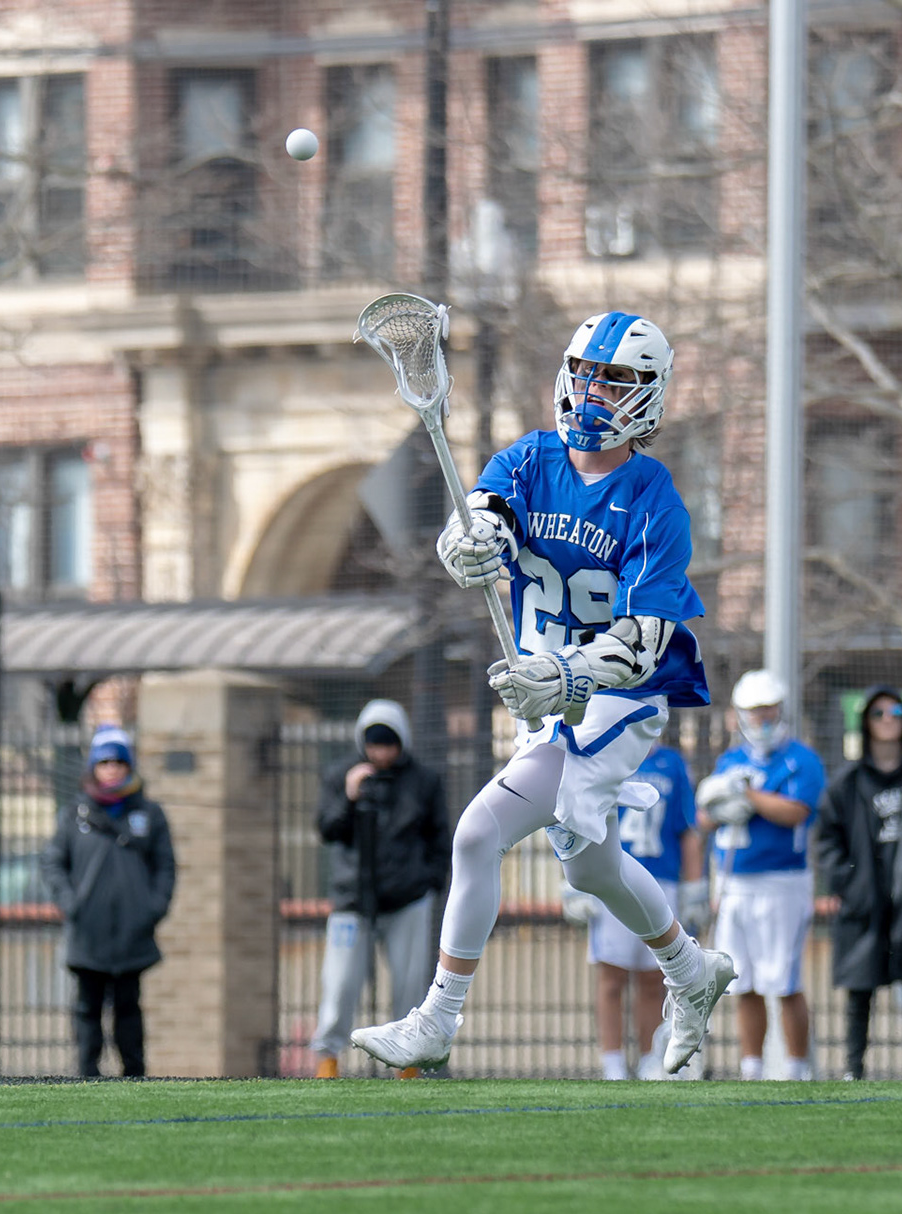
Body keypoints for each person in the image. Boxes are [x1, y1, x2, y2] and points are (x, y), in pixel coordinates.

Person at [351, 311, 733, 1075]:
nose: (592, 391)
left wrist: (564, 675)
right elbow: (480, 519)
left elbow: (645, 640)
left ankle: (439, 1019)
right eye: (585, 372)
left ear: (648, 396)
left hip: (615, 704)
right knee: (592, 869)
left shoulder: (654, 498)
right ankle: (694, 972)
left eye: (614, 379)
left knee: (476, 832)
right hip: (547, 697)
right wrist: (468, 545)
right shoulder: (528, 459)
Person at [811, 687, 902, 1081]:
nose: (888, 719)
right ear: (865, 722)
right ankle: (853, 1070)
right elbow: (827, 839)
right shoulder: (847, 784)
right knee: (861, 989)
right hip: (864, 902)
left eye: (895, 711)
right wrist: (848, 881)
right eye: (878, 713)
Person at [309, 700, 452, 1079]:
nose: (381, 753)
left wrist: (429, 883)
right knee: (339, 984)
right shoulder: (341, 774)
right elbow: (327, 828)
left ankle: (409, 1063)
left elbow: (440, 838)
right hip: (351, 901)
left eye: (389, 744)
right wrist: (349, 796)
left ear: (401, 742)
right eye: (374, 744)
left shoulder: (424, 781)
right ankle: (328, 1059)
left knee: (409, 985)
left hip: (407, 899)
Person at [699, 670, 828, 1080]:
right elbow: (704, 818)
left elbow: (796, 813)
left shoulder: (802, 760)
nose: (763, 718)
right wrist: (720, 806)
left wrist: (749, 796)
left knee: (784, 979)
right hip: (735, 881)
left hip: (782, 881)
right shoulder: (729, 761)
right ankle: (751, 1066)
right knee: (743, 980)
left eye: (768, 708)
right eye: (754, 711)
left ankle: (795, 1066)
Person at [567, 742, 707, 1080]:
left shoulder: (672, 763)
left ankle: (648, 1059)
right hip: (611, 878)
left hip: (661, 880)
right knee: (611, 974)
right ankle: (612, 1062)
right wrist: (571, 880)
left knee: (652, 977)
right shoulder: (604, 752)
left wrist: (694, 888)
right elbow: (576, 818)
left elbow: (687, 828)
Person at [41, 726, 175, 1078]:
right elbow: (53, 861)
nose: (112, 768)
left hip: (133, 930)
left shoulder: (150, 814)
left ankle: (134, 1074)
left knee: (129, 1007)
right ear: (93, 768)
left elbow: (165, 867)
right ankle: (87, 1073)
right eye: (104, 762)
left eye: (118, 761)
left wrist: (153, 908)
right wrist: (72, 904)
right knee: (88, 1007)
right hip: (88, 930)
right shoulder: (74, 814)